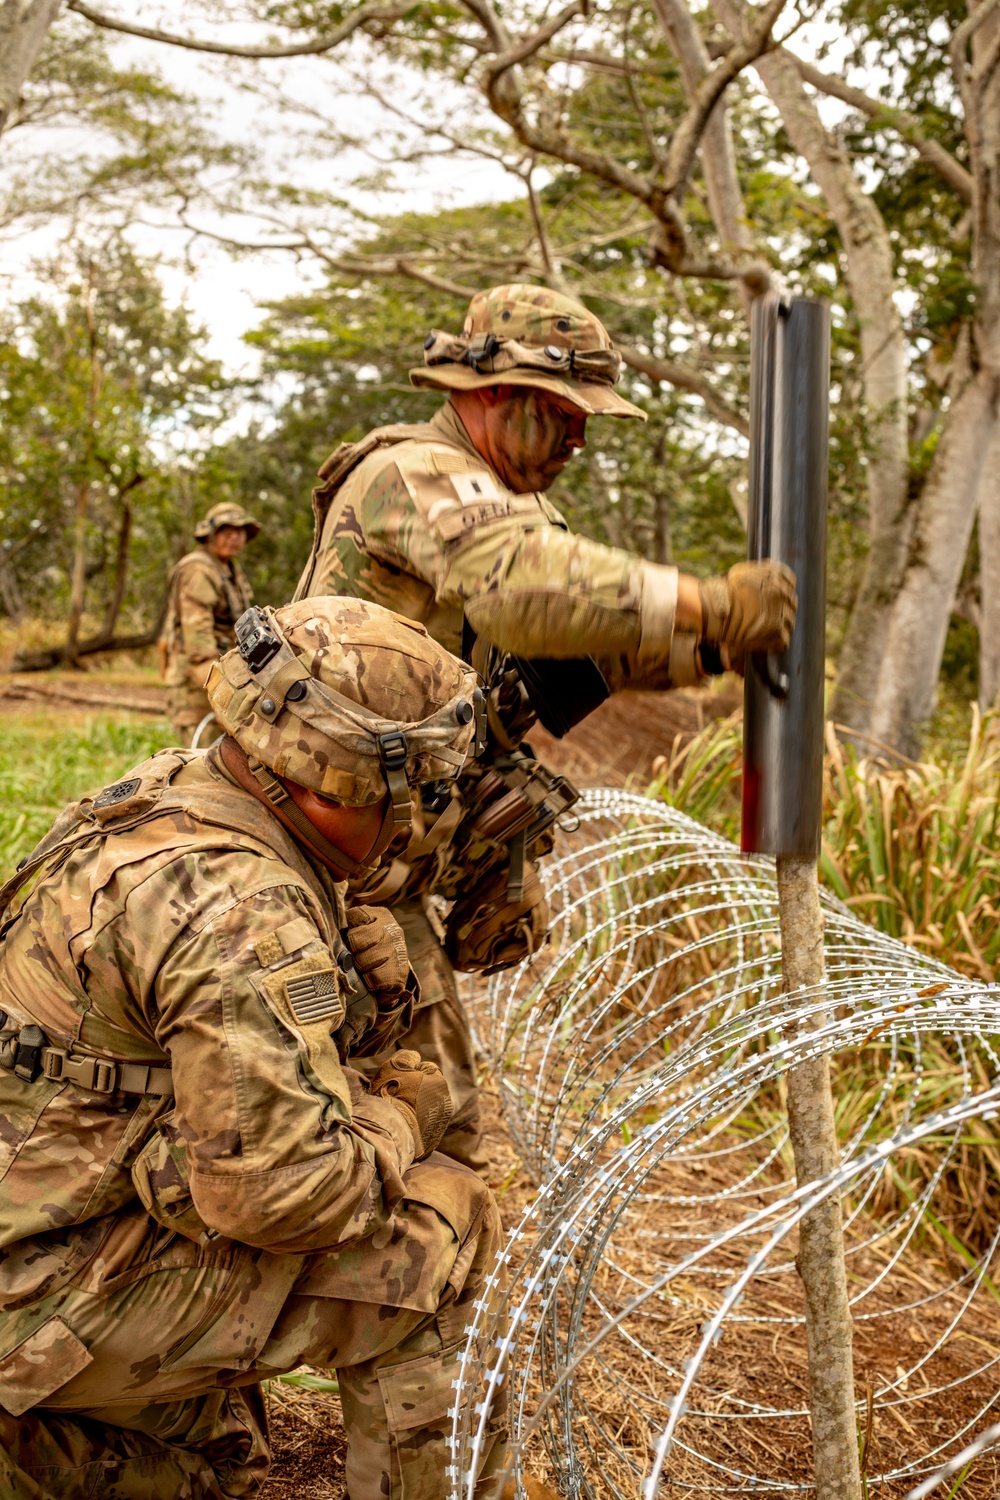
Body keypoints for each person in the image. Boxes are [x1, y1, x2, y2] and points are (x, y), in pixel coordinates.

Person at [0, 597, 525, 1500]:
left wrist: (370, 999)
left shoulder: (170, 796)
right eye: (424, 794)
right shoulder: (243, 908)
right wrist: (402, 1116)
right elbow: (287, 1197)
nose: (426, 823)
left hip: (39, 1221)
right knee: (436, 1225)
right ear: (357, 784)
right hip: (34, 1295)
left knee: (218, 1467)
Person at [292, 283, 798, 1175]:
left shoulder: (503, 505)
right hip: (309, 853)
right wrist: (708, 598)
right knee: (396, 1140)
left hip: (379, 862)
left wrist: (715, 646)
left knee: (424, 1128)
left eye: (585, 419)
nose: (578, 438)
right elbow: (524, 595)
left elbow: (560, 669)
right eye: (559, 414)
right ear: (489, 393)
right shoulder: (413, 474)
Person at [160, 501, 259, 746]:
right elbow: (198, 644)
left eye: (240, 531)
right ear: (210, 534)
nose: (234, 537)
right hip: (199, 684)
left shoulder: (228, 569)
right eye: (227, 531)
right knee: (202, 765)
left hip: (222, 675)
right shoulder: (198, 569)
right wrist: (226, 691)